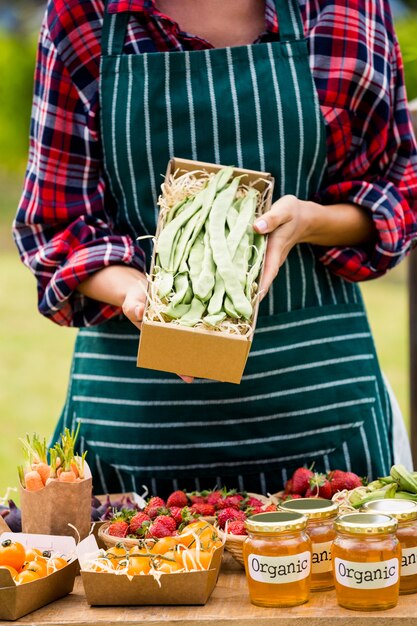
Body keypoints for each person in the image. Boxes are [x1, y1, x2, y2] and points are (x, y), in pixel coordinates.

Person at [14, 0, 417, 497]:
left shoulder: (343, 9)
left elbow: (394, 191)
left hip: (324, 433)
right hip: (137, 438)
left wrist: (308, 222)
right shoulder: (85, 14)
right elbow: (57, 225)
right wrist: (137, 291)